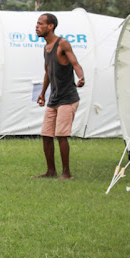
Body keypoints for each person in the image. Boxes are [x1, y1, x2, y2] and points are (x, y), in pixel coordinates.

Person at [34, 14, 85, 180]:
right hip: (53, 99)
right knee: (47, 135)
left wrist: (81, 77)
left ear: (50, 26)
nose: (37, 27)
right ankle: (50, 171)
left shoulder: (62, 43)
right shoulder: (46, 48)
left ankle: (66, 173)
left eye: (40, 24)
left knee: (61, 135)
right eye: (37, 24)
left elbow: (75, 63)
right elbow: (48, 72)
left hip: (68, 98)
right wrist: (42, 93)